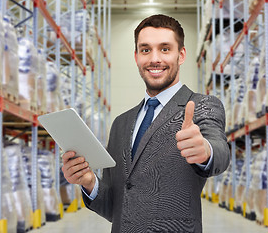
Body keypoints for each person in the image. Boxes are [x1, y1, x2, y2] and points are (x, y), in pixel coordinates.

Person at [62, 14, 230, 232]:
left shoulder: (201, 105)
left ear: (181, 55)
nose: (155, 59)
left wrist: (205, 151)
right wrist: (89, 182)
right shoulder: (121, 124)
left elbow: (220, 151)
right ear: (136, 57)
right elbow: (114, 207)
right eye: (145, 50)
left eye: (165, 49)